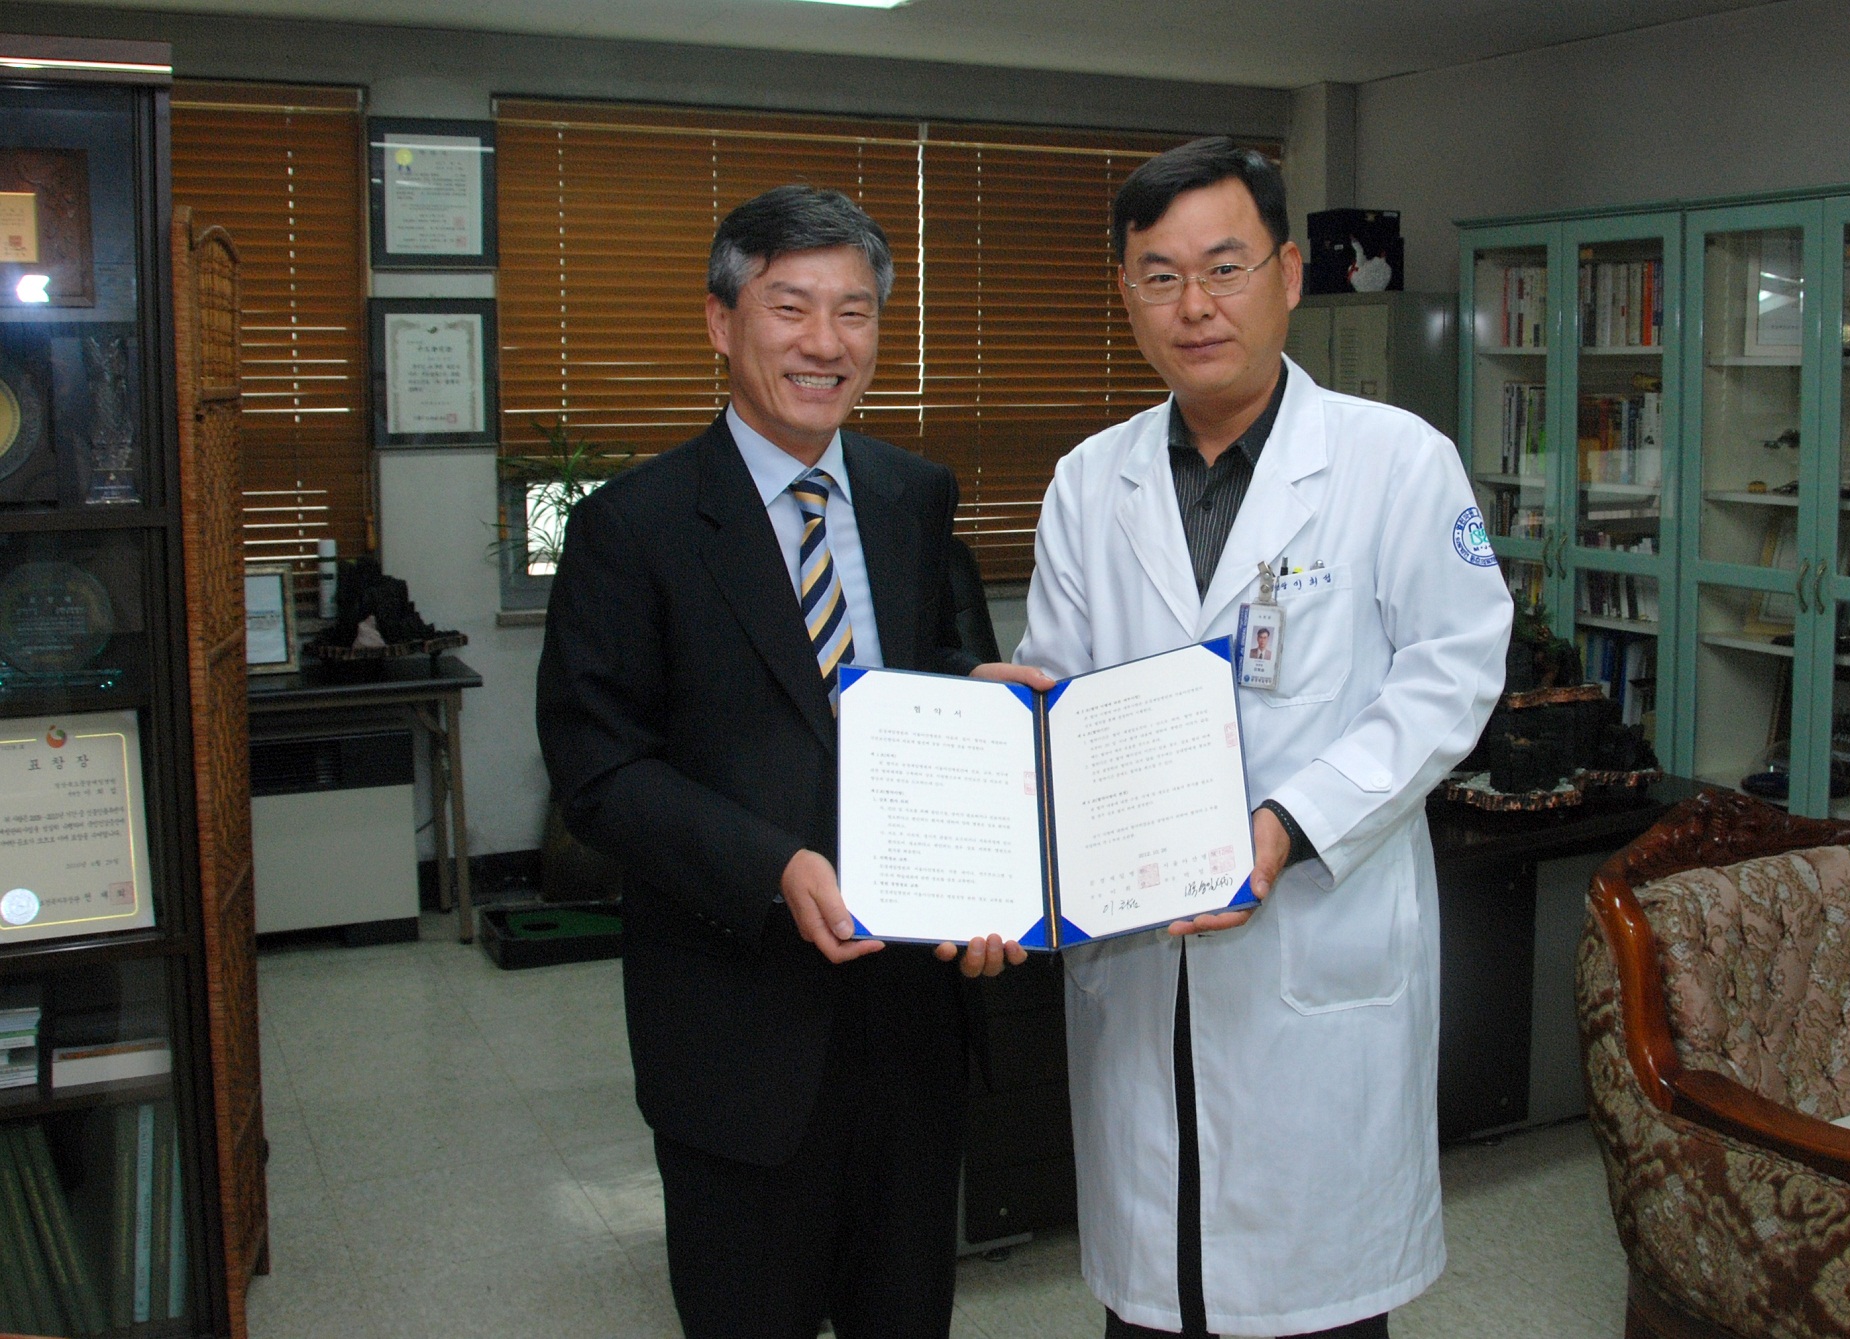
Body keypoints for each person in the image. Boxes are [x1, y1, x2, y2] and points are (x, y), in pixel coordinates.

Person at [1014, 138, 1513, 1337]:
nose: (1195, 306)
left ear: (1288, 274)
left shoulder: (1396, 462)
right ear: (1126, 294)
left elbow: (1453, 674)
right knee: (1157, 1291)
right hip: (1141, 955)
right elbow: (1062, 690)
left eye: (1225, 267)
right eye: (1160, 276)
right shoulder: (1089, 482)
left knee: (1311, 1305)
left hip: (1316, 952)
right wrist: (1015, 727)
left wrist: (1289, 823)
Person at [537, 184, 1045, 1339]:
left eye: (854, 312)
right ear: (722, 322)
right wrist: (772, 866)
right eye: (791, 307)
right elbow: (600, 772)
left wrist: (979, 703)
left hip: (911, 1019)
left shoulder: (914, 495)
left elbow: (932, 668)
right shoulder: (633, 526)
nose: (826, 342)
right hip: (738, 1029)